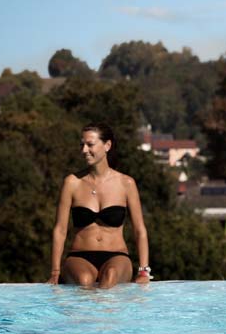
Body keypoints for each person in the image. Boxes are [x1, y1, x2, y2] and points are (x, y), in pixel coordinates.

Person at [48, 123, 150, 288]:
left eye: (90, 145)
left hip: (117, 256)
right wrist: (55, 271)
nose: (84, 150)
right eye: (82, 145)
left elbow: (140, 230)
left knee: (110, 276)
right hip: (79, 257)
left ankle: (102, 315)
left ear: (107, 145)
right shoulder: (72, 183)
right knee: (84, 281)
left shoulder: (126, 183)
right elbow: (60, 230)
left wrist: (144, 271)